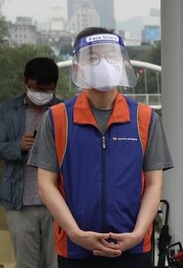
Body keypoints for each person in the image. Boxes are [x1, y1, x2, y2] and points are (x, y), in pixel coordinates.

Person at [27, 27, 173, 267]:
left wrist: (137, 234)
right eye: (93, 58)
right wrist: (75, 233)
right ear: (77, 67)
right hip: (76, 247)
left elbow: (154, 184)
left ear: (122, 63)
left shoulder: (145, 119)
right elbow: (46, 185)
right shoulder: (57, 118)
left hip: (133, 246)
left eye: (111, 57)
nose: (103, 64)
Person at [0, 57, 61, 268]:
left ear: (54, 87)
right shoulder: (6, 110)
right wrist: (18, 146)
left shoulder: (64, 111)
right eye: (36, 88)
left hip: (58, 203)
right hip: (19, 202)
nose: (41, 94)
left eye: (47, 90)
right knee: (26, 263)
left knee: (57, 262)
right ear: (25, 81)